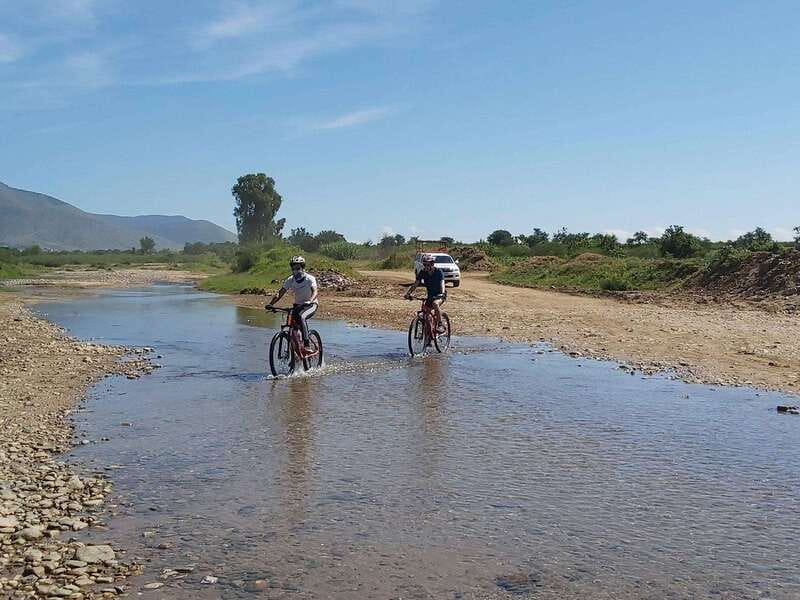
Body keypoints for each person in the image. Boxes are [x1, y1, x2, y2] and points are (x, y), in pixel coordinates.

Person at [266, 256, 318, 348]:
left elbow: (315, 291)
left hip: (310, 305)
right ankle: (296, 350)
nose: (295, 271)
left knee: (302, 317)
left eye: (298, 268)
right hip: (298, 305)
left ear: (303, 268)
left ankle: (307, 345)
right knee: (292, 324)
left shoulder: (310, 278)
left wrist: (310, 300)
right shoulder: (291, 280)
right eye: (293, 269)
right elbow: (280, 293)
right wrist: (271, 304)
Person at [404, 254, 446, 333]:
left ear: (432, 264)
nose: (426, 266)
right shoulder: (423, 272)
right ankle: (429, 338)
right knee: (427, 315)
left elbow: (442, 283)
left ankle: (440, 324)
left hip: (440, 295)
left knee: (435, 304)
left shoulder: (438, 272)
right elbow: (416, 283)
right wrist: (408, 293)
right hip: (430, 296)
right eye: (424, 264)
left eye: (428, 264)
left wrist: (442, 293)